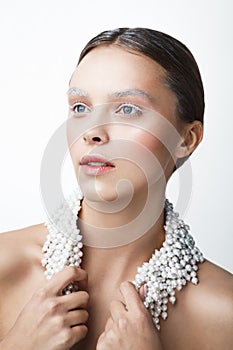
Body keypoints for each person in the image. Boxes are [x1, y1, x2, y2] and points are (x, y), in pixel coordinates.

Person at [0, 27, 232, 350]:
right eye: (80, 107)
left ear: (186, 138)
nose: (92, 132)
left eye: (127, 109)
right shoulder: (5, 265)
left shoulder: (225, 315)